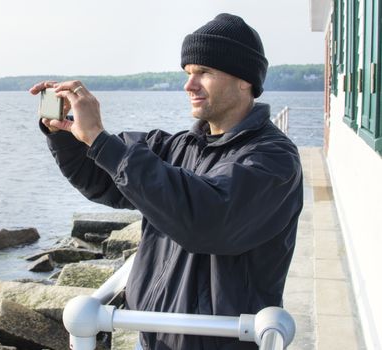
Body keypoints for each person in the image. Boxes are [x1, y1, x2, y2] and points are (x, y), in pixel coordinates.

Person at [30, 13, 303, 350]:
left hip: (223, 342)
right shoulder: (176, 147)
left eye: (204, 72)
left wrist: (101, 139)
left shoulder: (273, 160)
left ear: (245, 80)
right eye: (188, 73)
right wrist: (69, 134)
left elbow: (206, 220)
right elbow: (99, 179)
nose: (189, 85)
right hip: (152, 335)